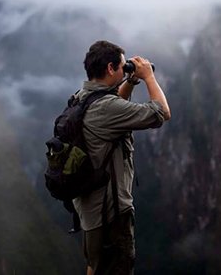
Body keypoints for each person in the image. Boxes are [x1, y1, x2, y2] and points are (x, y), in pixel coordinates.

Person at [73, 40, 171, 275]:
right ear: (110, 68)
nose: (124, 69)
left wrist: (130, 80)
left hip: (89, 209)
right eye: (121, 66)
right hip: (112, 213)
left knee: (95, 266)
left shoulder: (81, 98)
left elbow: (115, 104)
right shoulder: (105, 108)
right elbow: (162, 113)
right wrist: (148, 77)